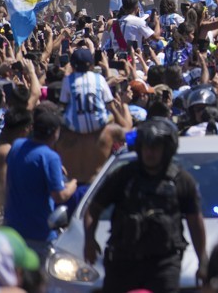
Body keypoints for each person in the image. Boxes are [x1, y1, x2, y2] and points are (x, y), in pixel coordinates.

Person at [84, 118, 206, 293]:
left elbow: (195, 222)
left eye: (156, 147)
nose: (150, 152)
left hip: (163, 265)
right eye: (146, 146)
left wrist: (203, 260)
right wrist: (89, 239)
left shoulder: (181, 180)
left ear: (167, 149)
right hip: (122, 262)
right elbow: (94, 209)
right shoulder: (123, 176)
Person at [3, 104, 77, 257]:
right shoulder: (50, 158)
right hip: (38, 236)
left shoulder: (17, 145)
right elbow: (59, 196)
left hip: (11, 231)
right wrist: (73, 184)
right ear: (55, 133)